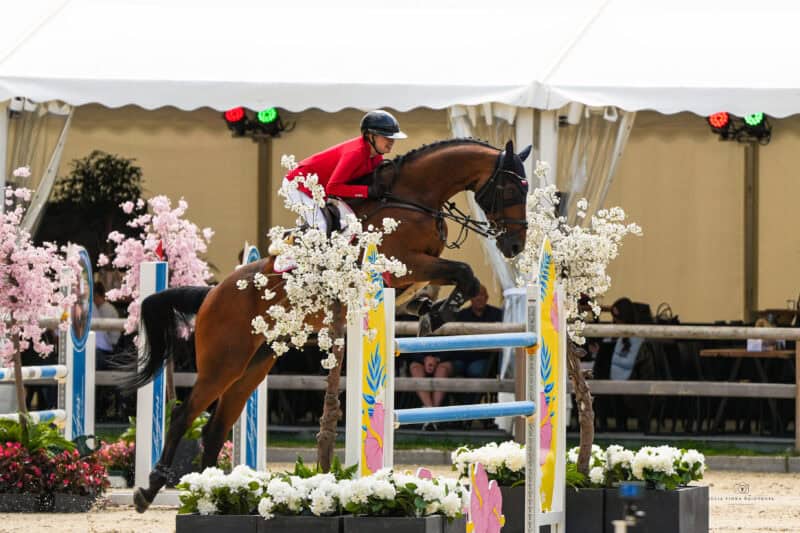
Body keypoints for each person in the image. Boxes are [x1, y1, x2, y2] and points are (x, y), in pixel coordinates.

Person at [283, 110, 407, 234]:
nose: (391, 141)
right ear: (370, 136)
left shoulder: (376, 156)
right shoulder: (355, 153)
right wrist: (367, 191)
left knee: (346, 225)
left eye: (392, 137)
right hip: (298, 184)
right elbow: (333, 188)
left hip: (320, 189)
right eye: (386, 136)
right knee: (321, 227)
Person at [452, 285, 503, 379]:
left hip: (485, 358)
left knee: (474, 370)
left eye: (482, 295)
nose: (479, 298)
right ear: (470, 298)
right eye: (476, 295)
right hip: (463, 357)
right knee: (451, 367)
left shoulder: (496, 314)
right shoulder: (461, 315)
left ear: (487, 298)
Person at [408, 353, 455, 431]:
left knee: (442, 369)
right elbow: (408, 347)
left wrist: (437, 359)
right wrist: (424, 359)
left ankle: (429, 417)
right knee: (415, 368)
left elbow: (455, 349)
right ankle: (433, 416)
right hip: (420, 360)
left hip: (446, 359)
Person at [92, 281, 121, 370]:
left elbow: (102, 334)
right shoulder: (100, 308)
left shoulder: (106, 309)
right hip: (106, 345)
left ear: (96, 295)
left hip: (110, 346)